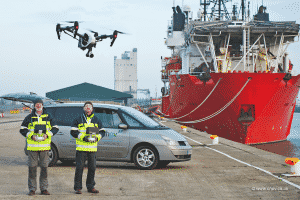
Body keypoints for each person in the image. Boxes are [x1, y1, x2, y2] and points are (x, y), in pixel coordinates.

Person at [19, 99, 59, 196]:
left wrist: (47, 134)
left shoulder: (48, 116)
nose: (38, 106)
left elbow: (55, 128)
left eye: (39, 104)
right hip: (32, 148)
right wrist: (30, 135)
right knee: (32, 169)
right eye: (36, 104)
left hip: (44, 148)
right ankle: (32, 189)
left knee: (44, 169)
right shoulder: (29, 117)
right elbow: (22, 129)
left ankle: (44, 189)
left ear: (42, 105)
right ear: (34, 106)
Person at [70, 101, 104, 194]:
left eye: (89, 106)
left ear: (92, 109)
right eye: (86, 106)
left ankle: (90, 187)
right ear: (83, 108)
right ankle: (78, 188)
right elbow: (73, 131)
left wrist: (97, 137)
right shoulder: (78, 119)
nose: (88, 108)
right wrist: (83, 137)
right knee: (79, 168)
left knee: (92, 168)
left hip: (92, 149)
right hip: (81, 149)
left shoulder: (97, 120)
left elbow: (102, 131)